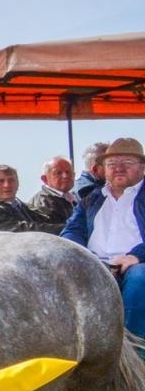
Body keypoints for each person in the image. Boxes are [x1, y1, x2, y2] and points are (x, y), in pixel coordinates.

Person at [61, 137, 145, 339]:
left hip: (136, 265)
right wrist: (83, 255)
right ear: (103, 169)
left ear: (142, 167)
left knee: (139, 276)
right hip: (95, 263)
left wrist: (135, 256)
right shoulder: (91, 199)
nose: (119, 168)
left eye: (127, 163)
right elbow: (72, 230)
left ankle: (133, 349)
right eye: (112, 163)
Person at [0, 165, 57, 233]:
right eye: (0, 181)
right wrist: (63, 229)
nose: (7, 185)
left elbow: (48, 220)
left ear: (18, 183)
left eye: (11, 180)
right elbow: (25, 231)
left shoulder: (27, 207)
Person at [27, 156, 78, 231]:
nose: (65, 176)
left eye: (68, 172)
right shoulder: (42, 203)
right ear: (45, 179)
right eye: (58, 173)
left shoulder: (77, 198)